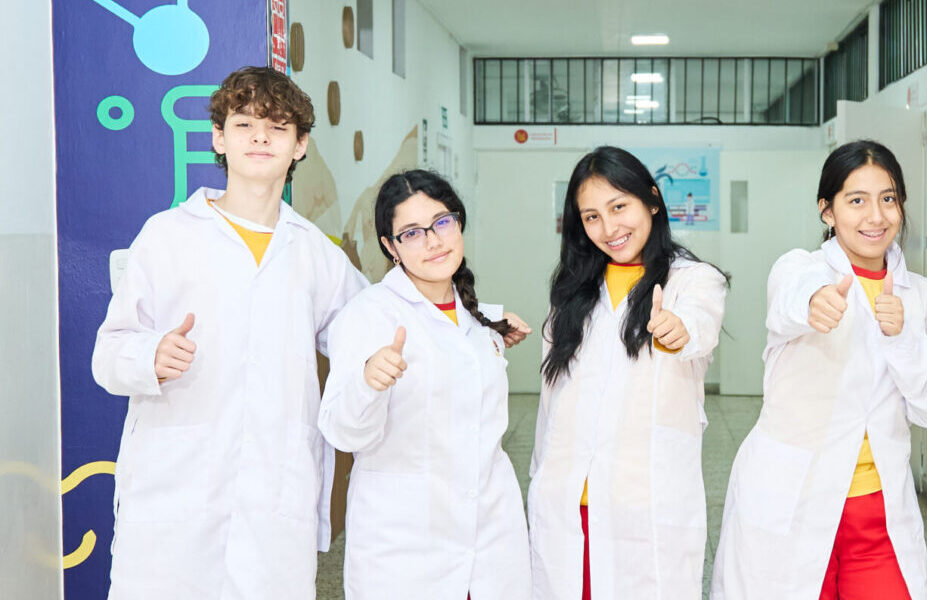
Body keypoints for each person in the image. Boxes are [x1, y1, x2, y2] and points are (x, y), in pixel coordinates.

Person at [90, 66, 368, 598]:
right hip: (173, 497)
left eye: (277, 126)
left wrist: (478, 319)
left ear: (300, 145)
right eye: (244, 124)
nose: (260, 137)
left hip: (274, 501)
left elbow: (376, 329)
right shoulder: (167, 235)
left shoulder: (316, 254)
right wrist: (150, 356)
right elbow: (108, 353)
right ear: (219, 138)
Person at [710, 140, 927, 600]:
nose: (876, 216)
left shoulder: (926, 299)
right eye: (856, 200)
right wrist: (814, 302)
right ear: (827, 210)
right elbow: (791, 297)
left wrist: (903, 339)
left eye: (888, 199)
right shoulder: (800, 269)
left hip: (878, 514)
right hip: (792, 500)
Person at [317, 170, 533, 599]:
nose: (434, 241)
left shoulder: (478, 320)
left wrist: (493, 331)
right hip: (405, 545)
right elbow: (342, 432)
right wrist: (367, 383)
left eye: (442, 222)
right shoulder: (369, 314)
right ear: (390, 247)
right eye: (412, 233)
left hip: (492, 535)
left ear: (458, 222)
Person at [527, 146, 728, 599]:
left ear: (652, 201)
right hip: (568, 504)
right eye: (592, 217)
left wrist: (678, 330)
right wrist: (540, 482)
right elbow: (550, 404)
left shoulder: (693, 280)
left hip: (642, 505)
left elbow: (699, 324)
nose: (609, 228)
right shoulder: (570, 295)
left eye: (619, 207)